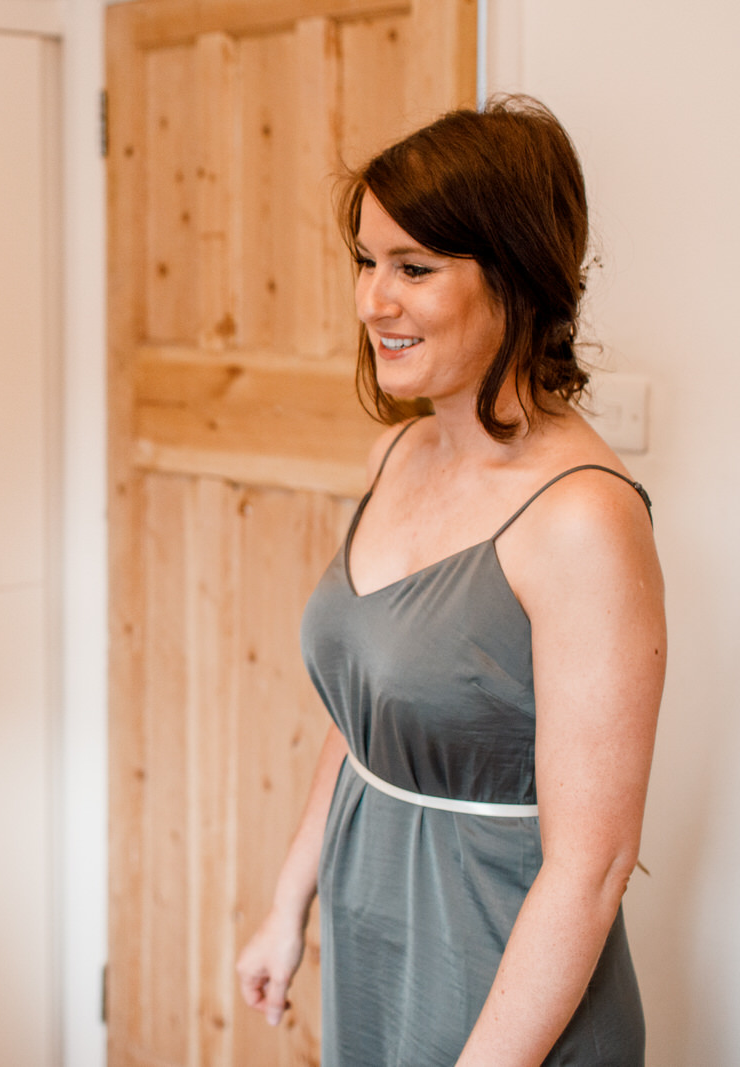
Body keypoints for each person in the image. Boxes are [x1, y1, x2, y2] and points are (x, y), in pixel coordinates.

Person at [234, 97, 663, 1066]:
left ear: (512, 276)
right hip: (376, 939)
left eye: (413, 267)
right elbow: (364, 716)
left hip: (505, 994)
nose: (371, 299)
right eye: (364, 259)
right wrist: (286, 901)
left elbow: (590, 867)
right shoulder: (400, 451)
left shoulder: (584, 517)